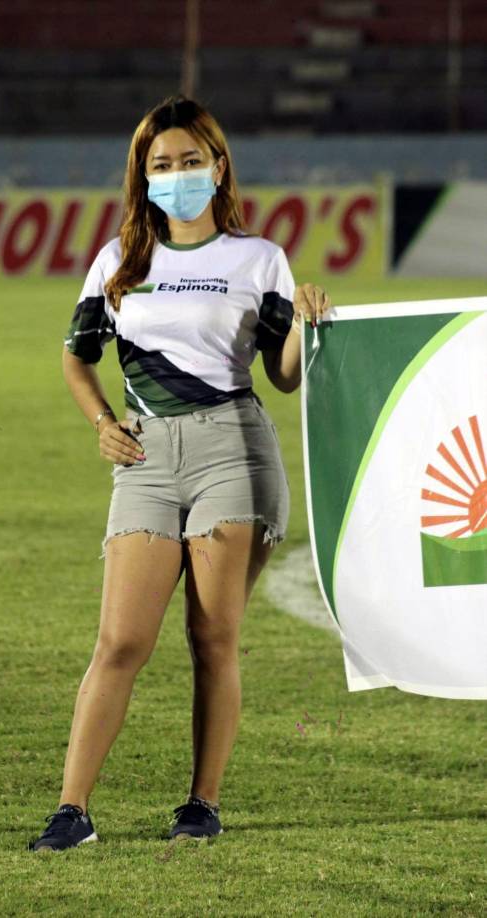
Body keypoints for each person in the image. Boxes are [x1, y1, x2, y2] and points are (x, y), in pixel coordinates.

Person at [28, 96, 330, 853]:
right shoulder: (118, 259)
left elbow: (283, 377)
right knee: (121, 640)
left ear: (217, 165)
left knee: (211, 634)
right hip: (147, 459)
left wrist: (303, 326)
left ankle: (201, 803)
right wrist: (102, 422)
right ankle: (72, 811)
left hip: (235, 451)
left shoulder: (257, 258)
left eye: (189, 161)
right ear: (143, 175)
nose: (176, 175)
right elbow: (76, 354)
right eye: (160, 165)